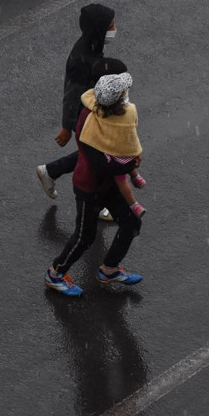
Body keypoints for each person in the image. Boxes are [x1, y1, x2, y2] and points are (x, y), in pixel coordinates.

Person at [43, 58, 143, 297]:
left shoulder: (109, 114)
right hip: (90, 188)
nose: (127, 93)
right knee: (85, 236)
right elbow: (103, 164)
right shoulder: (89, 124)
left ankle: (109, 269)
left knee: (130, 223)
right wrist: (130, 163)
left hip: (107, 184)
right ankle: (55, 273)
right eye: (123, 92)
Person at [36, 3, 118, 220]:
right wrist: (67, 126)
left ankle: (50, 171)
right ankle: (98, 204)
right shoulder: (82, 58)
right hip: (86, 118)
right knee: (98, 157)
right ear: (98, 29)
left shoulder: (92, 48)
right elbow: (72, 93)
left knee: (94, 156)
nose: (114, 29)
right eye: (110, 26)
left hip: (94, 114)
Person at [80, 72, 147, 218]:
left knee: (122, 181)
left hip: (109, 155)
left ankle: (134, 205)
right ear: (122, 95)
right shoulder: (130, 111)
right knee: (127, 163)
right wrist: (137, 154)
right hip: (124, 155)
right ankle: (136, 177)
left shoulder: (97, 108)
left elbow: (85, 96)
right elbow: (133, 133)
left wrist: (99, 92)